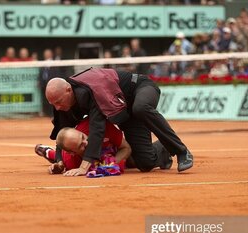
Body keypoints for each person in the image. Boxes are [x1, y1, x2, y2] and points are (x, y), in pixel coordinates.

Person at [45, 68, 193, 176]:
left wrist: (85, 166)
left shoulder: (91, 90)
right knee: (145, 163)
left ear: (68, 90)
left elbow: (97, 128)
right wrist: (59, 162)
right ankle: (162, 149)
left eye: (58, 102)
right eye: (53, 104)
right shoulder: (60, 103)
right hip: (124, 111)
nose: (57, 107)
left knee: (140, 107)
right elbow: (62, 133)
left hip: (140, 88)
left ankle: (181, 151)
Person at [35, 118, 131, 177]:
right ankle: (47, 152)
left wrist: (111, 163)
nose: (86, 142)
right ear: (73, 153)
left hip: (112, 149)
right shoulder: (71, 161)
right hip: (69, 157)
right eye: (80, 145)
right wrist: (60, 166)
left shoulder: (100, 127)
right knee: (61, 160)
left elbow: (126, 148)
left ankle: (48, 152)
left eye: (83, 137)